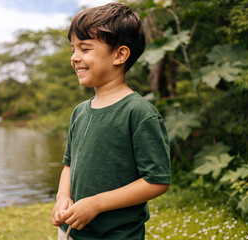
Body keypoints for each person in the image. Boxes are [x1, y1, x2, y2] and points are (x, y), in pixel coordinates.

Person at [51, 2, 171, 239]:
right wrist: (62, 197)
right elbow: (69, 164)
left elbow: (156, 181)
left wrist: (97, 204)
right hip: (72, 231)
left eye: (85, 49)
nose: (75, 58)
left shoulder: (139, 113)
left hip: (117, 234)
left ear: (119, 55)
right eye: (73, 49)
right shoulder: (80, 111)